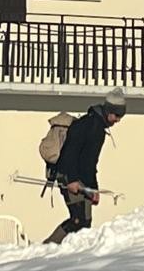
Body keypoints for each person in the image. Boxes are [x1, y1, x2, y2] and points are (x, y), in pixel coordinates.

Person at [43, 88, 126, 244]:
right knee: (78, 220)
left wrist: (94, 189)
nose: (118, 120)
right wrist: (72, 180)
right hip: (69, 176)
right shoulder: (89, 125)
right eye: (117, 115)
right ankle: (47, 246)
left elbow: (90, 163)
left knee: (84, 223)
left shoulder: (98, 127)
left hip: (82, 180)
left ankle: (74, 255)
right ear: (109, 112)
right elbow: (70, 151)